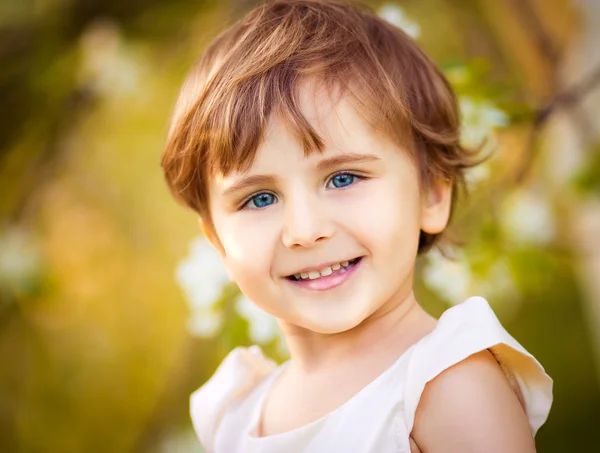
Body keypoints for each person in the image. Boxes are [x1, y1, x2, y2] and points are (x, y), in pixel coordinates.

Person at [161, 0, 553, 451]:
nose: (305, 231)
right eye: (260, 198)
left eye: (343, 178)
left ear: (431, 194)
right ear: (217, 242)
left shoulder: (443, 386)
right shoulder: (236, 414)